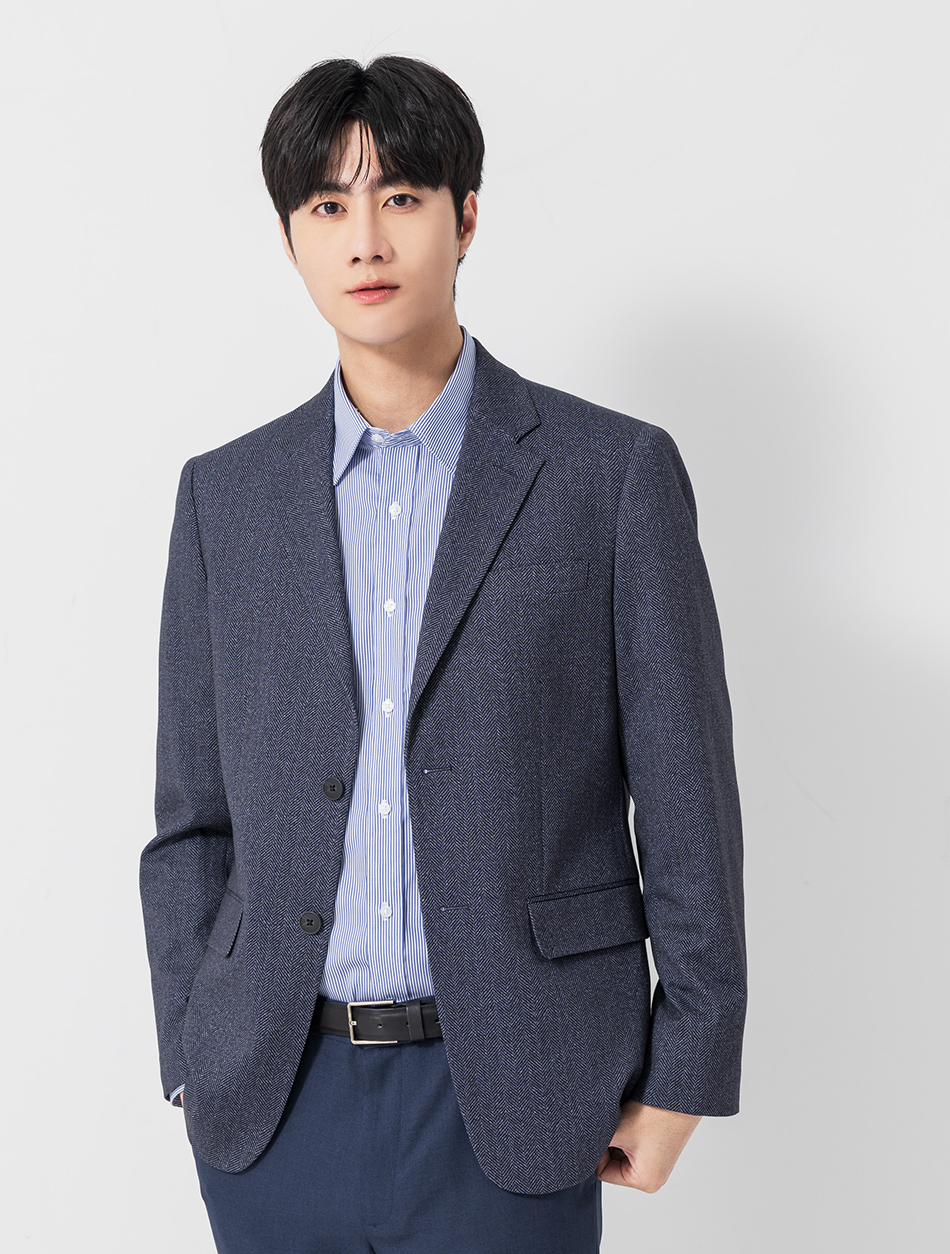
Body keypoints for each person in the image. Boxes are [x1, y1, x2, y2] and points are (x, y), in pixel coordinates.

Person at [139, 54, 746, 1254]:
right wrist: (193, 1054)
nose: (366, 238)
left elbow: (687, 801)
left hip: (520, 1093)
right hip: (274, 1106)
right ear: (290, 239)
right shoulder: (227, 498)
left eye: (402, 196)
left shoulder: (609, 477)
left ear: (465, 217)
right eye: (328, 205)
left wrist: (686, 1068)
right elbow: (190, 821)